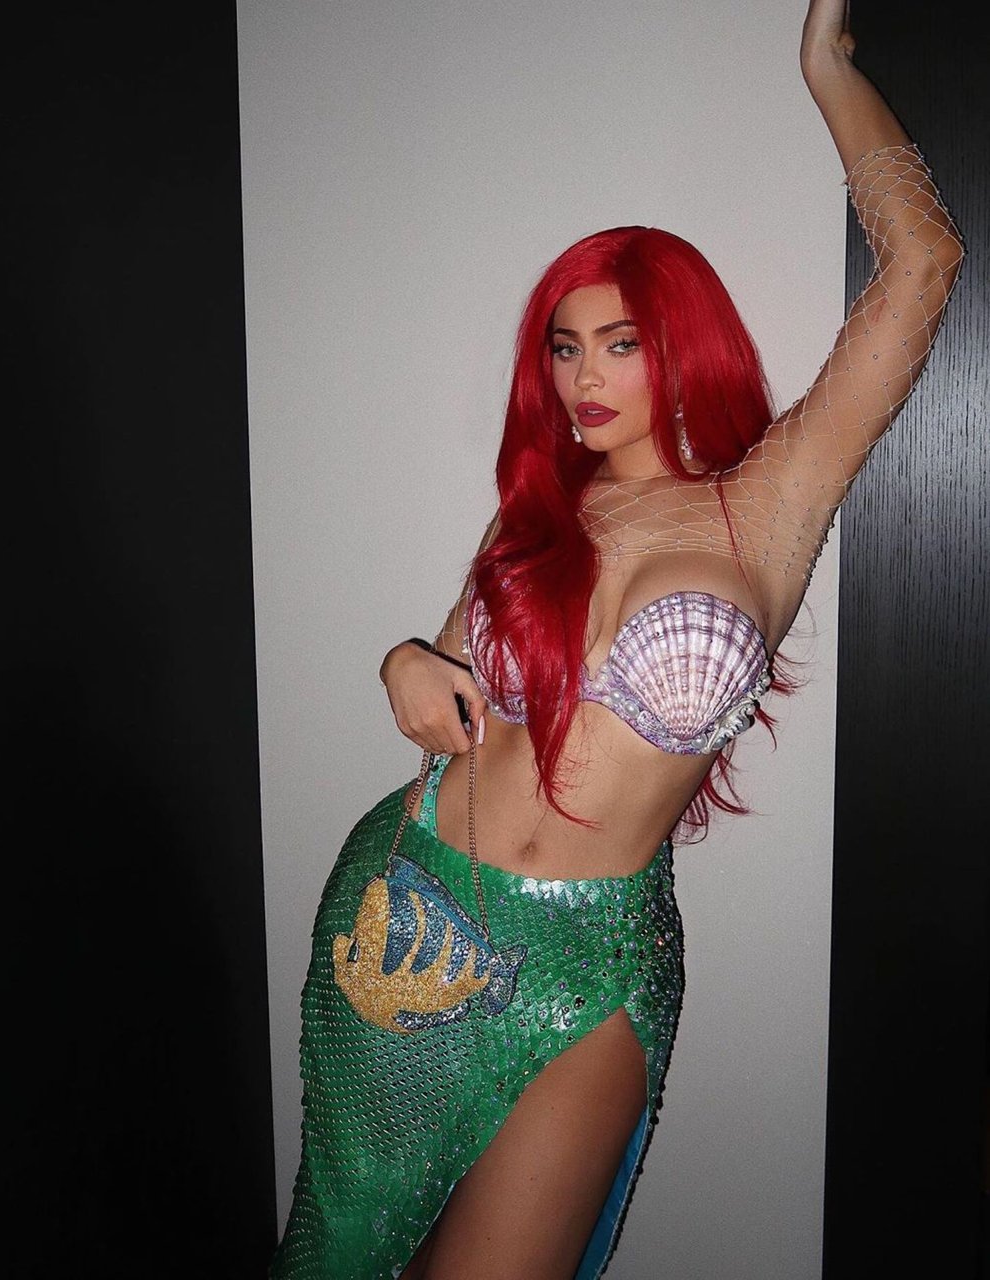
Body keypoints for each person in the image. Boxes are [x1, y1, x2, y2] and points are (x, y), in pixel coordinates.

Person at [270, 2, 964, 1276]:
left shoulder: (765, 502)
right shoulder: (538, 509)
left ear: (679, 343)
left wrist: (824, 67)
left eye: (621, 343)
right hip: (408, 909)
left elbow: (922, 264)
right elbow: (447, 677)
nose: (584, 377)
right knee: (338, 1250)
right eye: (564, 347)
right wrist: (404, 663)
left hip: (592, 955)